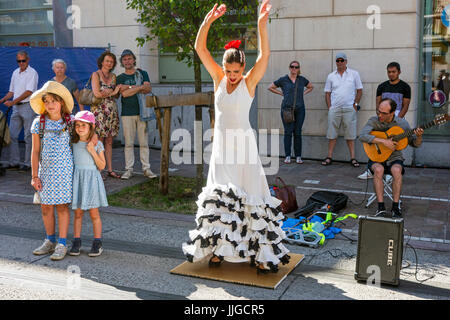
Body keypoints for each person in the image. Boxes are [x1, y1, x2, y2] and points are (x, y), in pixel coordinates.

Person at [182, 1, 290, 274]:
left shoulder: (249, 82)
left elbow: (264, 56)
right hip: (221, 148)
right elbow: (200, 48)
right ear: (223, 68)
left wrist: (261, 24)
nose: (232, 76)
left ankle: (263, 254)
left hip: (243, 148)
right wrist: (208, 21)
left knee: (251, 195)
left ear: (242, 69)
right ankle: (219, 249)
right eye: (229, 71)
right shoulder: (218, 79)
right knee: (221, 198)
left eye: (236, 72)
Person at [29, 81, 74, 261]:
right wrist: (34, 175)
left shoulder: (70, 122)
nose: (50, 105)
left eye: (54, 100)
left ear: (61, 102)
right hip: (45, 172)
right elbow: (35, 151)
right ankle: (50, 240)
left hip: (64, 171)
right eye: (46, 101)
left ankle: (62, 243)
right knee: (46, 207)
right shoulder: (38, 123)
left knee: (62, 207)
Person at [358, 98, 423, 218]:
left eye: (384, 113)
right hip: (376, 157)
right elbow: (362, 136)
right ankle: (381, 207)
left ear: (392, 113)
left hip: (394, 157)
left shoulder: (402, 124)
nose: (380, 115)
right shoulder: (374, 121)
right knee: (378, 170)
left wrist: (418, 137)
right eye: (379, 111)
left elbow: (414, 144)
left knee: (396, 170)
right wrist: (383, 141)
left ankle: (395, 206)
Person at [358, 62, 411, 180]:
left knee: (394, 143)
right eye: (389, 72)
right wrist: (380, 115)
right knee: (377, 140)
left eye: (393, 72)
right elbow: (378, 104)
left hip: (396, 120)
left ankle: (389, 172)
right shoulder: (382, 86)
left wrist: (397, 121)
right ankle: (371, 169)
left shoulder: (405, 87)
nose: (391, 74)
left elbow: (405, 106)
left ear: (399, 72)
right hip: (382, 118)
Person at [69, 111, 108, 257]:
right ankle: (77, 241)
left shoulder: (97, 144)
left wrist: (92, 150)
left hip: (91, 181)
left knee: (94, 214)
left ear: (91, 126)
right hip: (78, 180)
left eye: (83, 125)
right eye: (77, 125)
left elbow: (102, 165)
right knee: (78, 213)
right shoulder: (73, 142)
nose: (79, 128)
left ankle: (97, 242)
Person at [116, 49, 157, 180]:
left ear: (134, 59)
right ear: (122, 62)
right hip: (127, 113)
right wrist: (138, 87)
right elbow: (123, 94)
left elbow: (147, 88)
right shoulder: (120, 78)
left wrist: (129, 88)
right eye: (124, 59)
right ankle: (129, 170)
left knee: (144, 142)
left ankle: (146, 169)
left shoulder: (142, 73)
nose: (127, 61)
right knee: (128, 143)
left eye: (129, 58)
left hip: (142, 113)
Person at [268, 60, 313, 164]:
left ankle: (298, 156)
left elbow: (311, 86)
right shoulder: (283, 79)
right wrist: (281, 94)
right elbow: (270, 87)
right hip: (287, 109)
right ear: (289, 68)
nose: (294, 69)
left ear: (299, 69)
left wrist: (303, 93)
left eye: (296, 67)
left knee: (297, 132)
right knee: (288, 132)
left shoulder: (302, 80)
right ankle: (288, 155)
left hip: (300, 109)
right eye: (292, 67)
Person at [322, 52, 363, 167]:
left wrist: (355, 104)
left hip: (349, 109)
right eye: (338, 60)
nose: (340, 62)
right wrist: (330, 107)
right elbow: (327, 93)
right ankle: (329, 156)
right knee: (332, 133)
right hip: (335, 109)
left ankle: (353, 158)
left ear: (346, 61)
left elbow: (359, 90)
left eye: (342, 60)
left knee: (350, 134)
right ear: (336, 62)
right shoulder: (331, 76)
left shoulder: (354, 74)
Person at [0, 50, 38, 171]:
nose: (21, 63)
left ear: (28, 59)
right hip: (16, 107)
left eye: (23, 60)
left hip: (28, 106)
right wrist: (2, 100)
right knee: (12, 135)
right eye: (19, 61)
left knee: (28, 136)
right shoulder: (15, 72)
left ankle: (28, 163)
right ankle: (14, 161)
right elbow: (12, 91)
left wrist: (12, 102)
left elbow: (29, 91)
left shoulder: (32, 73)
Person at [91, 51, 122, 179]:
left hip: (111, 112)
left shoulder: (114, 76)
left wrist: (111, 92)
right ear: (102, 62)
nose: (109, 63)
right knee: (99, 141)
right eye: (107, 61)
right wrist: (112, 91)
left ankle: (110, 169)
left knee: (109, 141)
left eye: (112, 62)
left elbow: (116, 94)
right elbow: (97, 94)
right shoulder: (96, 74)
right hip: (99, 112)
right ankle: (99, 169)